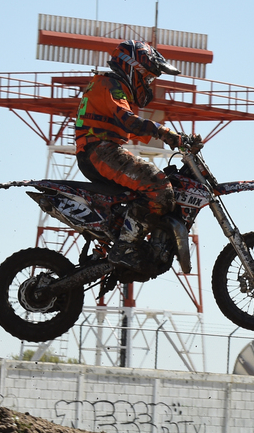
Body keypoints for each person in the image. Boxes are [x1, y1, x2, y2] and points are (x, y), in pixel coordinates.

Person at [74, 39, 193, 270]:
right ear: (133, 69)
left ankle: (127, 239)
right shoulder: (111, 84)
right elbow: (129, 121)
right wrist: (169, 135)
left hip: (99, 150)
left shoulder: (108, 84)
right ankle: (125, 247)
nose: (148, 84)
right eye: (148, 77)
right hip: (100, 151)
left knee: (142, 190)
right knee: (159, 185)